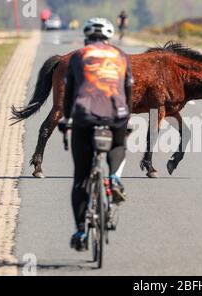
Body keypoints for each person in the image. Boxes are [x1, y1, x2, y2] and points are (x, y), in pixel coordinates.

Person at [58, 17, 134, 251]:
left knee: (81, 177)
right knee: (119, 145)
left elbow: (69, 92)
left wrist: (66, 119)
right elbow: (128, 88)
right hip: (116, 113)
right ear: (109, 37)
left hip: (84, 114)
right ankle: (113, 178)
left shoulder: (79, 57)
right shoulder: (120, 56)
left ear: (86, 36)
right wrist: (126, 117)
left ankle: (81, 231)